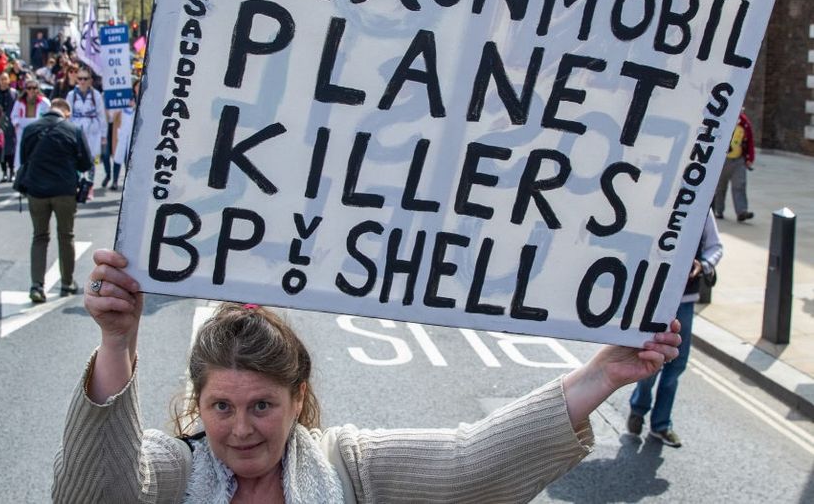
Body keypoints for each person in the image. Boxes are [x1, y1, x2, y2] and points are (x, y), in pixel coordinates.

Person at [53, 256, 682, 502]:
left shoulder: (346, 463)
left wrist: (600, 375)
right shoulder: (172, 470)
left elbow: (468, 462)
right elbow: (99, 492)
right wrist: (116, 340)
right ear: (199, 402)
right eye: (220, 406)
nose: (240, 430)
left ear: (299, 399)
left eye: (263, 406)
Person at [628, 211, 723, 448]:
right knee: (651, 361)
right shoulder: (655, 196)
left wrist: (703, 264)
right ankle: (639, 407)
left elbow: (715, 246)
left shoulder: (703, 205)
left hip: (685, 299)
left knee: (676, 364)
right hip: (653, 298)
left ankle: (661, 425)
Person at [19, 98, 93, 303]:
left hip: (36, 191)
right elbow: (85, 163)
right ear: (66, 113)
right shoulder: (73, 130)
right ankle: (67, 283)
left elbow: (23, 158)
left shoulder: (31, 129)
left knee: (39, 236)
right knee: (66, 235)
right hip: (64, 190)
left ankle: (36, 285)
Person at [65, 66, 106, 199]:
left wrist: (104, 135)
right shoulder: (71, 95)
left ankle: (89, 187)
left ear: (90, 80)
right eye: (80, 78)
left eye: (85, 79)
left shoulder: (96, 95)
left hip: (92, 130)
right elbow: (67, 114)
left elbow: (101, 116)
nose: (82, 81)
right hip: (76, 129)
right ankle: (77, 186)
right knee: (76, 158)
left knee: (92, 159)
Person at [712, 108, 755, 222]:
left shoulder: (744, 123)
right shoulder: (723, 120)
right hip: (722, 160)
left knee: (739, 185)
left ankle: (742, 211)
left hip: (739, 159)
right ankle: (718, 210)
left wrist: (750, 157)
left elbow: (750, 141)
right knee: (720, 187)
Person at [10, 77, 51, 169]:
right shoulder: (19, 101)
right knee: (21, 150)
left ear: (38, 89)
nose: (32, 90)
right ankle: (20, 170)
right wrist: (16, 124)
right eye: (29, 88)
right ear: (25, 90)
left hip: (38, 129)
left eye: (34, 88)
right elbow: (14, 115)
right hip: (22, 129)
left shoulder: (44, 102)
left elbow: (49, 116)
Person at [109, 79, 138, 190]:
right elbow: (114, 117)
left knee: (129, 159)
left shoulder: (142, 101)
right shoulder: (125, 100)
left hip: (133, 136)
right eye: (136, 85)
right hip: (122, 134)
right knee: (118, 157)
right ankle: (115, 181)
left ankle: (129, 183)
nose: (138, 88)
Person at [0, 72, 18, 181]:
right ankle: (4, 172)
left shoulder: (14, 93)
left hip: (11, 124)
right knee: (1, 149)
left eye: (5, 79)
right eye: (1, 79)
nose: (3, 82)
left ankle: (12, 171)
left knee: (11, 149)